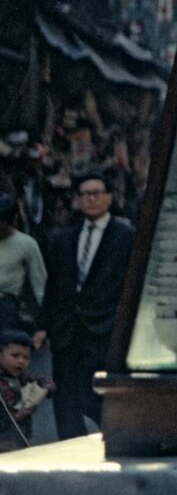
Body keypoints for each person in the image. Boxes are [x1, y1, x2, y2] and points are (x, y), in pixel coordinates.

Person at [40, 171, 135, 439]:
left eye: (96, 193)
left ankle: (117, 439)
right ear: (77, 200)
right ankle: (68, 450)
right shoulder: (62, 238)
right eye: (85, 194)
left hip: (105, 327)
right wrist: (43, 326)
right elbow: (54, 285)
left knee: (96, 394)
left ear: (108, 197)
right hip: (67, 328)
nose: (91, 199)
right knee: (65, 397)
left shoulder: (125, 236)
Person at [0, 192, 46, 339]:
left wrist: (45, 323)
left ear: (12, 221)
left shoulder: (26, 244)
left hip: (6, 307)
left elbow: (40, 285)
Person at [0, 328, 54, 451]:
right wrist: (17, 416)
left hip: (21, 437)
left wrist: (37, 395)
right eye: (15, 356)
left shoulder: (23, 377)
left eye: (26, 357)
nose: (21, 361)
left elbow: (47, 382)